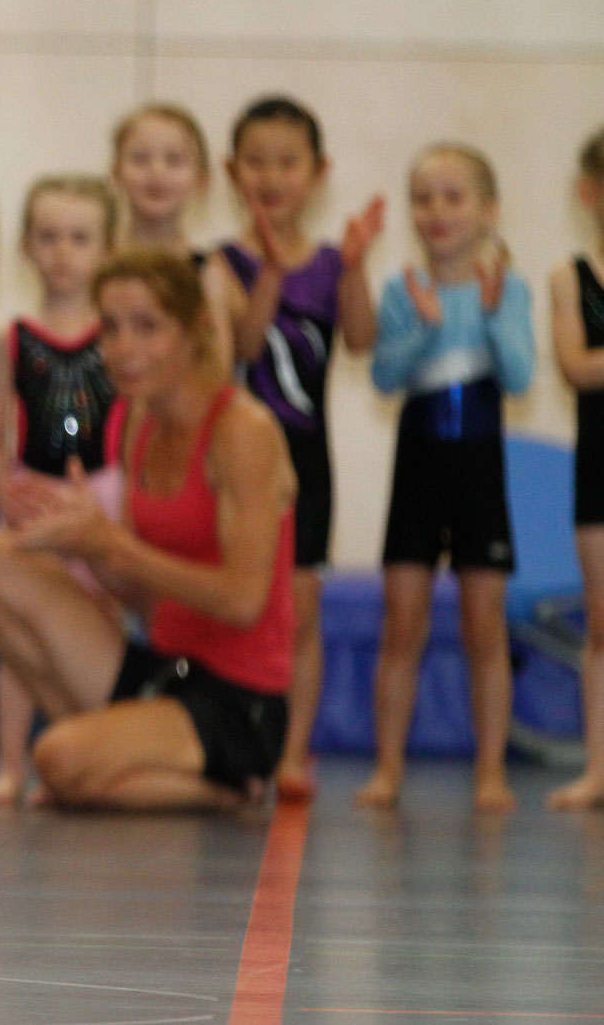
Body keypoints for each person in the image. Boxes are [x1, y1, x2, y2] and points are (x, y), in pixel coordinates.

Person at [0, 248, 296, 811]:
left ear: (196, 332)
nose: (122, 350)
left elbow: (243, 600)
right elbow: (142, 599)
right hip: (165, 671)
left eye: (147, 328)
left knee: (57, 760)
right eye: (110, 328)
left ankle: (225, 790)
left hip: (238, 697)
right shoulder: (141, 422)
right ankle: (102, 755)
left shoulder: (241, 431)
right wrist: (84, 543)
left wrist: (114, 546)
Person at [218, 96, 383, 801]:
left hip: (309, 457)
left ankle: (293, 749)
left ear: (318, 172)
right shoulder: (223, 262)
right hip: (248, 460)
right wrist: (271, 281)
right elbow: (246, 349)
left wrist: (349, 268)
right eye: (256, 161)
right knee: (247, 602)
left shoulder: (328, 260)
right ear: (231, 171)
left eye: (288, 162)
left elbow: (361, 339)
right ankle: (239, 739)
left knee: (302, 606)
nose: (272, 176)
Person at [359, 143, 531, 814]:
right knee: (403, 622)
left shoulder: (507, 289)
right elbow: (381, 376)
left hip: (479, 466)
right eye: (423, 198)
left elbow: (518, 377)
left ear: (487, 210)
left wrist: (487, 316)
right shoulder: (405, 290)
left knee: (482, 622)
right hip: (420, 466)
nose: (437, 210)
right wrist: (424, 328)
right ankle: (388, 767)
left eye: (453, 196)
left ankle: (491, 769)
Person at [0, 176, 123, 806]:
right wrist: (4, 490)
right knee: (22, 639)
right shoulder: (12, 339)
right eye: (50, 237)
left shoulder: (118, 339)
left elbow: (134, 425)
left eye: (81, 239)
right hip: (33, 495)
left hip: (100, 498)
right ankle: (12, 765)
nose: (64, 252)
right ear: (27, 248)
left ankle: (81, 759)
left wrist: (118, 503)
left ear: (108, 249)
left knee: (96, 628)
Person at [548, 126, 604, 811]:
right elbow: (575, 366)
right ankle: (599, 767)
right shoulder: (571, 276)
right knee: (602, 620)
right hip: (598, 461)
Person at [111, 103, 238, 368]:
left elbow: (217, 371)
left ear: (202, 178)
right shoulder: (98, 263)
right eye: (140, 158)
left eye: (174, 160)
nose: (157, 172)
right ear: (116, 173)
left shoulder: (208, 273)